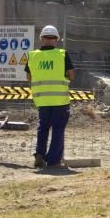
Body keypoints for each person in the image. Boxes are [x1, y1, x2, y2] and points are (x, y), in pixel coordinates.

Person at [25, 25, 74, 169]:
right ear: (56, 40)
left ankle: (40, 154)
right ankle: (54, 161)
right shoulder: (62, 54)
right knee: (58, 129)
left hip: (42, 100)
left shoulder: (33, 55)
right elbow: (71, 75)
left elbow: (29, 77)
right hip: (59, 100)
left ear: (42, 39)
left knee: (43, 127)